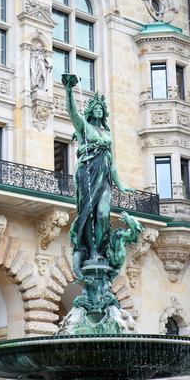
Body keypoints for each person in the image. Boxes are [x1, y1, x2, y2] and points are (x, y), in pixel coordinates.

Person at [62, 73, 135, 278]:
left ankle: (98, 248)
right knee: (89, 213)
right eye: (95, 107)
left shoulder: (107, 134)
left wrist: (120, 185)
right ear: (90, 110)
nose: (97, 109)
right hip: (86, 172)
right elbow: (72, 112)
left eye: (101, 108)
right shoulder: (84, 128)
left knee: (103, 214)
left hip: (103, 175)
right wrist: (68, 90)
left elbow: (111, 162)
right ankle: (92, 251)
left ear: (103, 113)